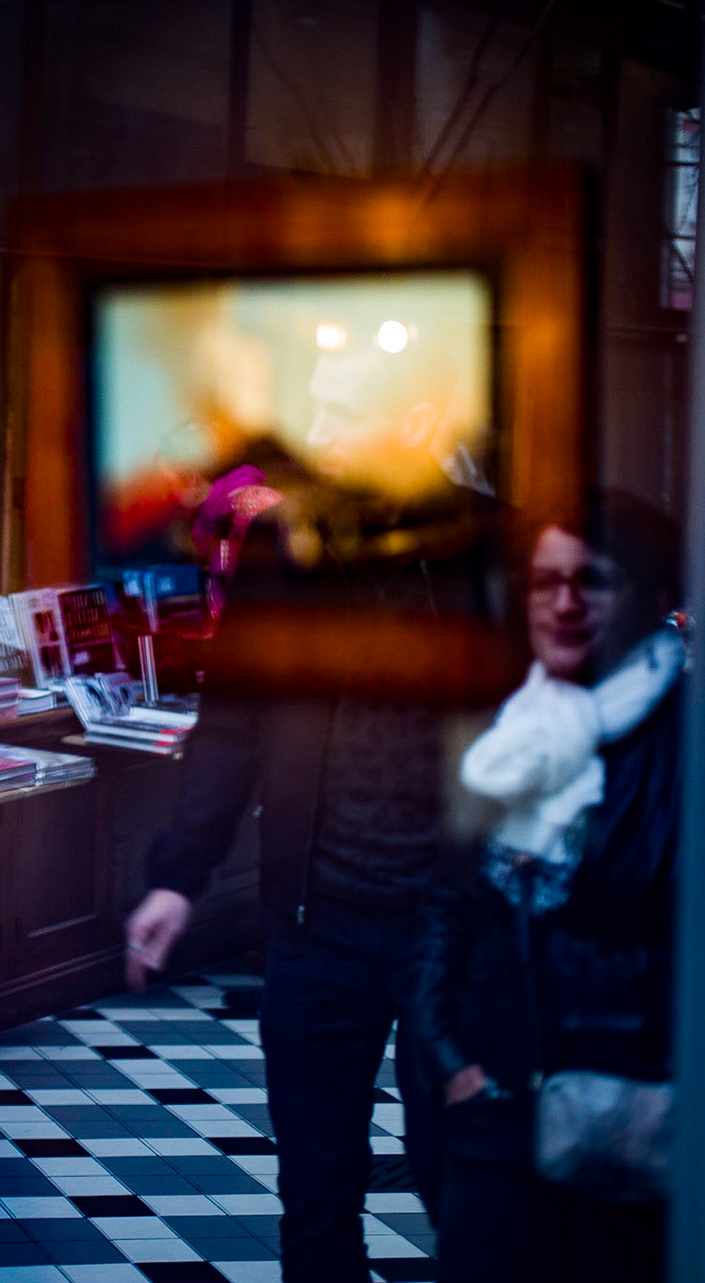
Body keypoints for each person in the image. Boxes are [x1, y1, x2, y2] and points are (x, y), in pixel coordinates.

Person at [122, 328, 508, 1282]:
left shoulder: (497, 554)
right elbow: (233, 726)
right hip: (314, 925)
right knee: (316, 1191)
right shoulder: (281, 554)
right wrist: (178, 875)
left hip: (452, 933)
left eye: (342, 415)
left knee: (462, 1181)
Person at [409, 493, 683, 1282]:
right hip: (493, 1103)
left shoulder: (680, 746)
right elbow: (446, 903)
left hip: (625, 1115)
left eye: (593, 582)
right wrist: (447, 1057)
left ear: (656, 598)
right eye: (544, 582)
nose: (563, 604)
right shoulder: (508, 731)